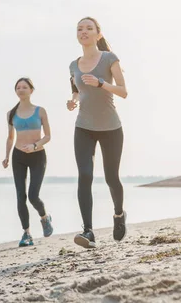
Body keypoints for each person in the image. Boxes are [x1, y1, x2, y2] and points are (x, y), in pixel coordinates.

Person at [67, 17, 128, 249]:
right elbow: (76, 88)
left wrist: (101, 83)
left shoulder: (110, 58)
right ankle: (88, 231)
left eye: (88, 28)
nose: (83, 31)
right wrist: (73, 101)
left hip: (111, 128)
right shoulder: (73, 64)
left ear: (98, 34)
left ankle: (119, 214)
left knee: (112, 177)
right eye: (79, 28)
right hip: (83, 127)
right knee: (84, 175)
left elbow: (123, 91)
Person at [2, 77, 53, 247]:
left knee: (33, 195)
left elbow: (48, 136)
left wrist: (34, 145)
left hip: (38, 155)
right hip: (18, 157)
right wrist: (7, 156)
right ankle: (26, 233)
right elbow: (10, 138)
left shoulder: (40, 111)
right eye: (18, 87)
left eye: (25, 87)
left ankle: (44, 217)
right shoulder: (11, 113)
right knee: (20, 196)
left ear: (31, 90)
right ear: (16, 91)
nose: (21, 89)